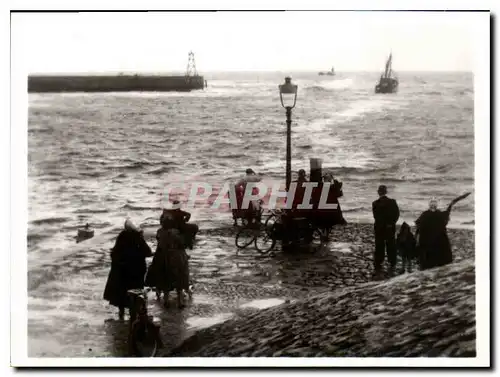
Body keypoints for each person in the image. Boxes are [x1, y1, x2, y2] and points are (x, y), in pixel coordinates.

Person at [103, 219, 152, 320]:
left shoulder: (122, 236)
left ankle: (121, 313)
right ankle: (132, 314)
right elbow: (147, 252)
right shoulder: (138, 238)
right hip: (136, 271)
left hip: (122, 271)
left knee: (121, 291)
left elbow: (115, 252)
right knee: (135, 292)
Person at [415, 192, 471, 270]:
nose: (433, 205)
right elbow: (419, 226)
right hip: (433, 239)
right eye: (432, 203)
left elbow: (451, 204)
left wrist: (461, 197)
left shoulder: (430, 214)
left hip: (435, 239)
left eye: (434, 203)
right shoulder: (427, 214)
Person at [145, 216, 191, 309]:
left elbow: (160, 245)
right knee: (179, 280)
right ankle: (180, 301)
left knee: (166, 280)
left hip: (165, 258)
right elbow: (183, 244)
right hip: (178, 257)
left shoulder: (160, 232)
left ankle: (166, 301)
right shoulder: (176, 232)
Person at [372, 185, 400, 277]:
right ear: (386, 192)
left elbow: (375, 216)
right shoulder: (392, 202)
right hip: (389, 227)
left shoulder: (375, 203)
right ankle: (392, 261)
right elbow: (397, 214)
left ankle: (378, 262)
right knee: (391, 244)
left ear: (378, 192)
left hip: (379, 227)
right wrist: (391, 223)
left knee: (379, 245)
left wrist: (382, 223)